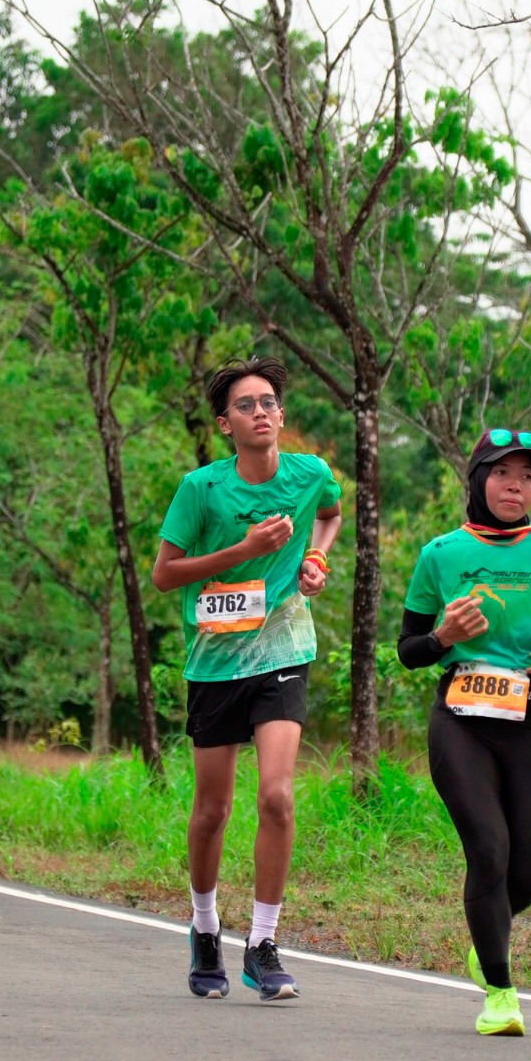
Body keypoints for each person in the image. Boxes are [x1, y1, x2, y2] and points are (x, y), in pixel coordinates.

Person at [398, 429, 531, 1037]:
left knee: (527, 876)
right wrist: (442, 637)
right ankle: (500, 992)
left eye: (527, 477)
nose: (516, 486)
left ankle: (485, 936)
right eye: (502, 473)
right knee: (488, 850)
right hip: (461, 721)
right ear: (477, 481)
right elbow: (409, 650)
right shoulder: (440, 554)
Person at [152, 358, 342, 1002]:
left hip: (283, 649)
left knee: (278, 797)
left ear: (281, 415)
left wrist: (314, 559)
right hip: (214, 660)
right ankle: (205, 928)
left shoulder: (309, 474)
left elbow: (330, 514)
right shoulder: (201, 489)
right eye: (244, 405)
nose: (259, 412)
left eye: (268, 402)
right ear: (224, 424)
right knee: (212, 810)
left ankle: (262, 944)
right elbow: (165, 575)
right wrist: (244, 551)